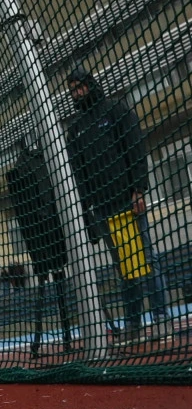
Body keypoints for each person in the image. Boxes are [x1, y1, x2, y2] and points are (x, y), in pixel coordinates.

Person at [65, 68, 164, 334]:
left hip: (129, 202)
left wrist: (139, 190)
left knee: (145, 259)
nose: (78, 93)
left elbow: (135, 149)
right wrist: (87, 215)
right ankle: (133, 324)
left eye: (80, 86)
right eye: (73, 89)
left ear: (90, 84)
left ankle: (160, 318)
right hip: (104, 211)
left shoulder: (116, 111)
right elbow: (80, 176)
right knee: (123, 266)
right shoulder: (74, 131)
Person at [5, 140, 71, 356]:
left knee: (52, 284)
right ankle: (64, 338)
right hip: (48, 234)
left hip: (42, 238)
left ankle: (53, 339)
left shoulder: (32, 164)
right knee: (54, 283)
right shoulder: (39, 163)